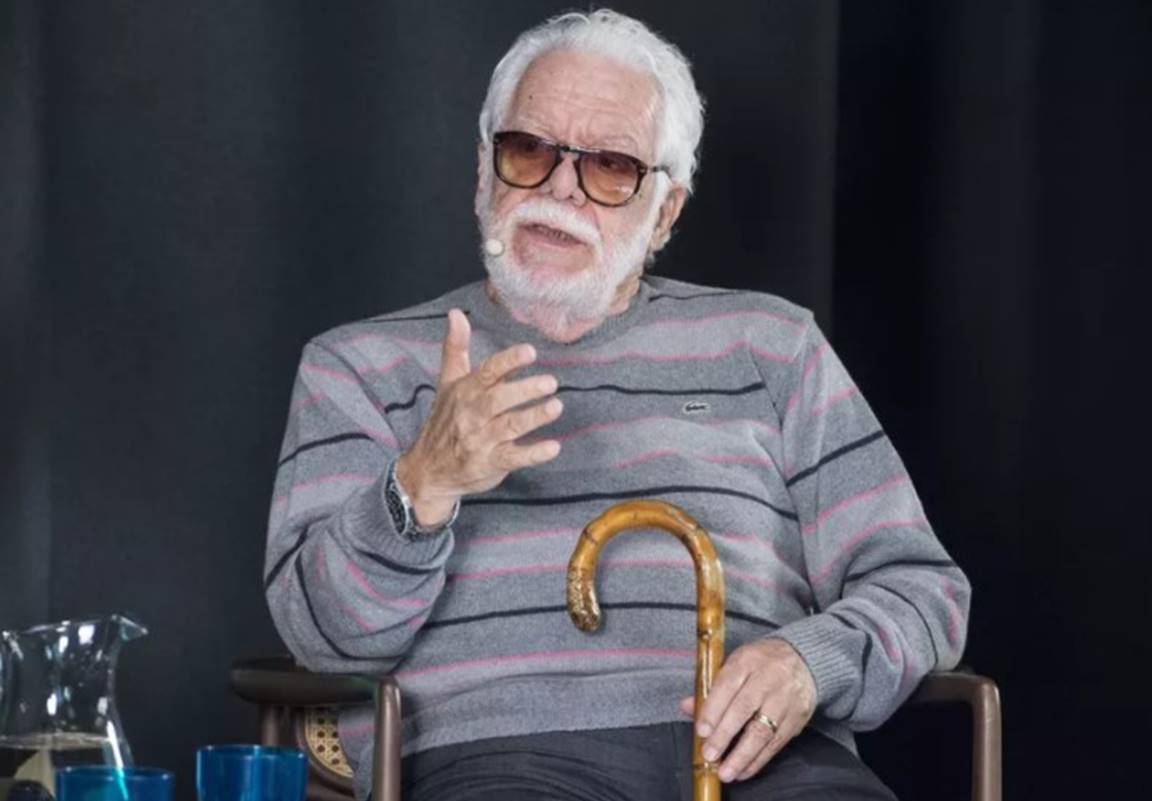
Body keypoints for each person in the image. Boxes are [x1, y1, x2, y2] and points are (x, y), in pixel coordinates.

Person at [264, 9, 970, 801]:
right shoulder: (358, 367)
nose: (560, 188)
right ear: (483, 170)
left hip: (766, 762)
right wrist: (420, 486)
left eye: (610, 166)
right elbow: (323, 637)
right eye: (528, 150)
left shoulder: (772, 346)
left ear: (665, 210)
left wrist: (810, 662)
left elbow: (922, 588)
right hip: (502, 759)